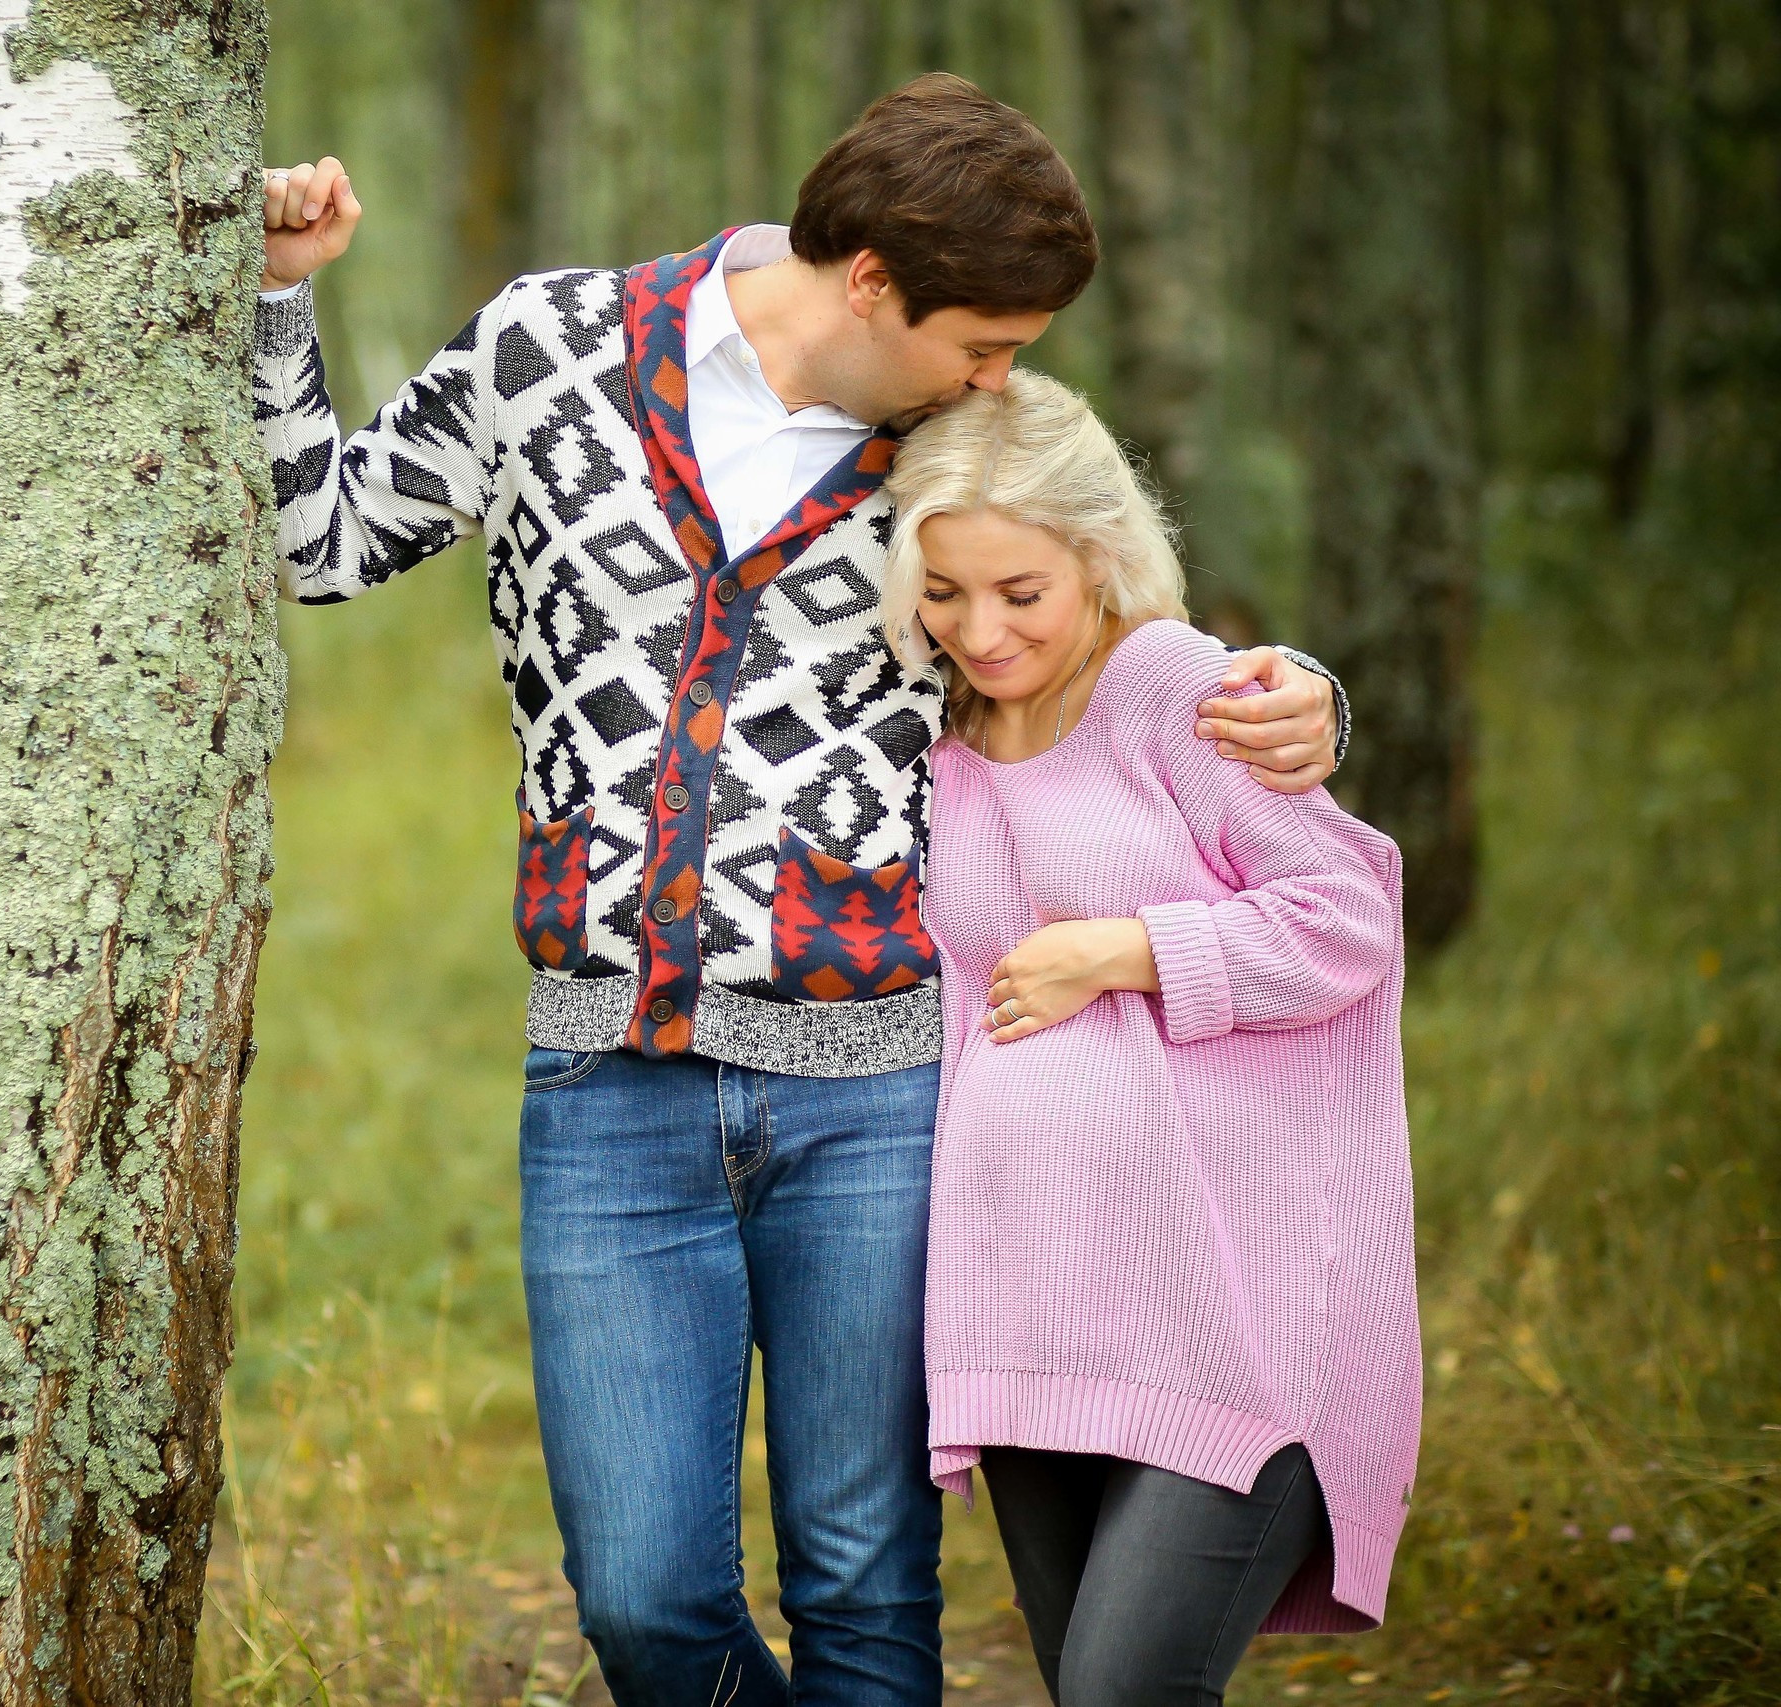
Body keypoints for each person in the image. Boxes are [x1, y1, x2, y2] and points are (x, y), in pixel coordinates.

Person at [256, 74, 1349, 1707]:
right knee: (643, 1600)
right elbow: (317, 543)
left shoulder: (953, 446)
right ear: (869, 282)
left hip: (886, 1096)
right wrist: (279, 305)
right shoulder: (548, 349)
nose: (1008, 375)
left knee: (863, 1590)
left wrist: (1310, 696)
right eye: (984, 338)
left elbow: (1104, 630)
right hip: (608, 1082)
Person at [884, 370, 1419, 1705]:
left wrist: (1124, 950)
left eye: (1022, 592)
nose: (982, 631)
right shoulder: (925, 731)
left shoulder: (1167, 689)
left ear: (1100, 555)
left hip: (1232, 1324)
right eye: (944, 592)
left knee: (1123, 1691)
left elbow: (1347, 912)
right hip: (1034, 1315)